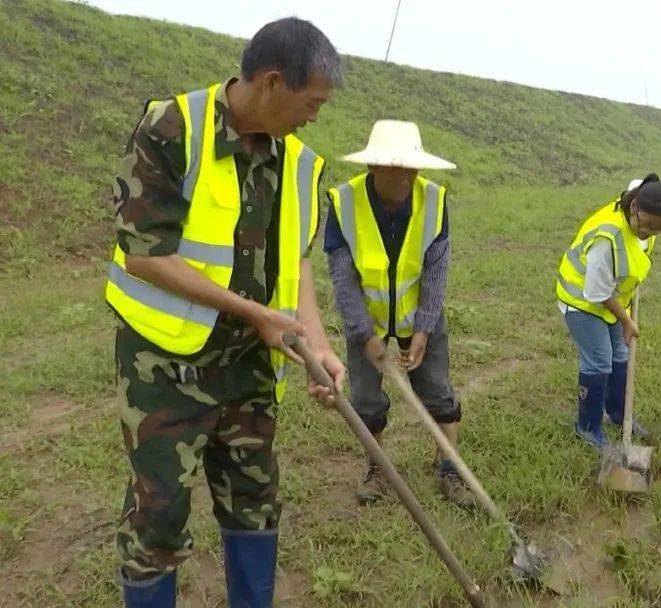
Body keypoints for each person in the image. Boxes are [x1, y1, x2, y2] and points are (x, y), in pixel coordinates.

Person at [105, 18, 345, 607]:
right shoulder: (172, 129)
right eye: (310, 102)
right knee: (158, 516)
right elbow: (145, 255)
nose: (314, 116)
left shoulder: (302, 165)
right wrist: (252, 312)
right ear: (270, 84)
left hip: (250, 370)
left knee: (255, 500)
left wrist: (316, 344)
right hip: (165, 368)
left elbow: (299, 265)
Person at [324, 120, 476, 508]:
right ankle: (376, 468)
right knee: (366, 400)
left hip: (418, 313)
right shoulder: (344, 203)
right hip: (367, 318)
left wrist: (423, 328)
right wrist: (364, 335)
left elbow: (436, 271)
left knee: (438, 391)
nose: (410, 175)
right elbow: (344, 281)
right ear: (374, 167)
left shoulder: (433, 201)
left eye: (413, 166)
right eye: (399, 166)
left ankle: (449, 468)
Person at [556, 175, 661, 448]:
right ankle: (587, 428)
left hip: (612, 299)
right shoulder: (607, 237)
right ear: (634, 207)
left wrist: (625, 309)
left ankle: (619, 415)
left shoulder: (646, 213)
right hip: (581, 302)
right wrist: (627, 321)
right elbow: (597, 292)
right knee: (599, 360)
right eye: (645, 226)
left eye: (658, 229)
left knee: (620, 355)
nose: (648, 233)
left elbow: (642, 182)